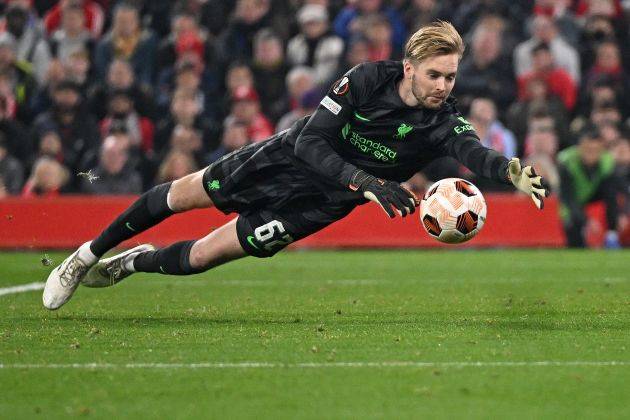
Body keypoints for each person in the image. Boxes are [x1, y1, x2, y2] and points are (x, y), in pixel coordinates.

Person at [42, 21, 550, 310]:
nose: (443, 86)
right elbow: (310, 142)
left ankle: (131, 263)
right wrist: (366, 181)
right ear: (410, 67)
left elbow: (471, 150)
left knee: (202, 258)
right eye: (435, 75)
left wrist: (507, 171)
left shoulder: (441, 121)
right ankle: (84, 257)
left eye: (451, 77)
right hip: (284, 159)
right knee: (180, 196)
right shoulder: (366, 80)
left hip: (321, 204)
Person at [558, 126, 620, 248]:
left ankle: (612, 234)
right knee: (572, 225)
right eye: (587, 150)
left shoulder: (607, 161)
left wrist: (620, 215)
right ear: (579, 147)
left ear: (601, 149)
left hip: (594, 192)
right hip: (573, 194)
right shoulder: (566, 162)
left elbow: (612, 195)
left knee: (611, 193)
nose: (591, 155)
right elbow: (568, 198)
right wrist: (586, 220)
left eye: (595, 150)